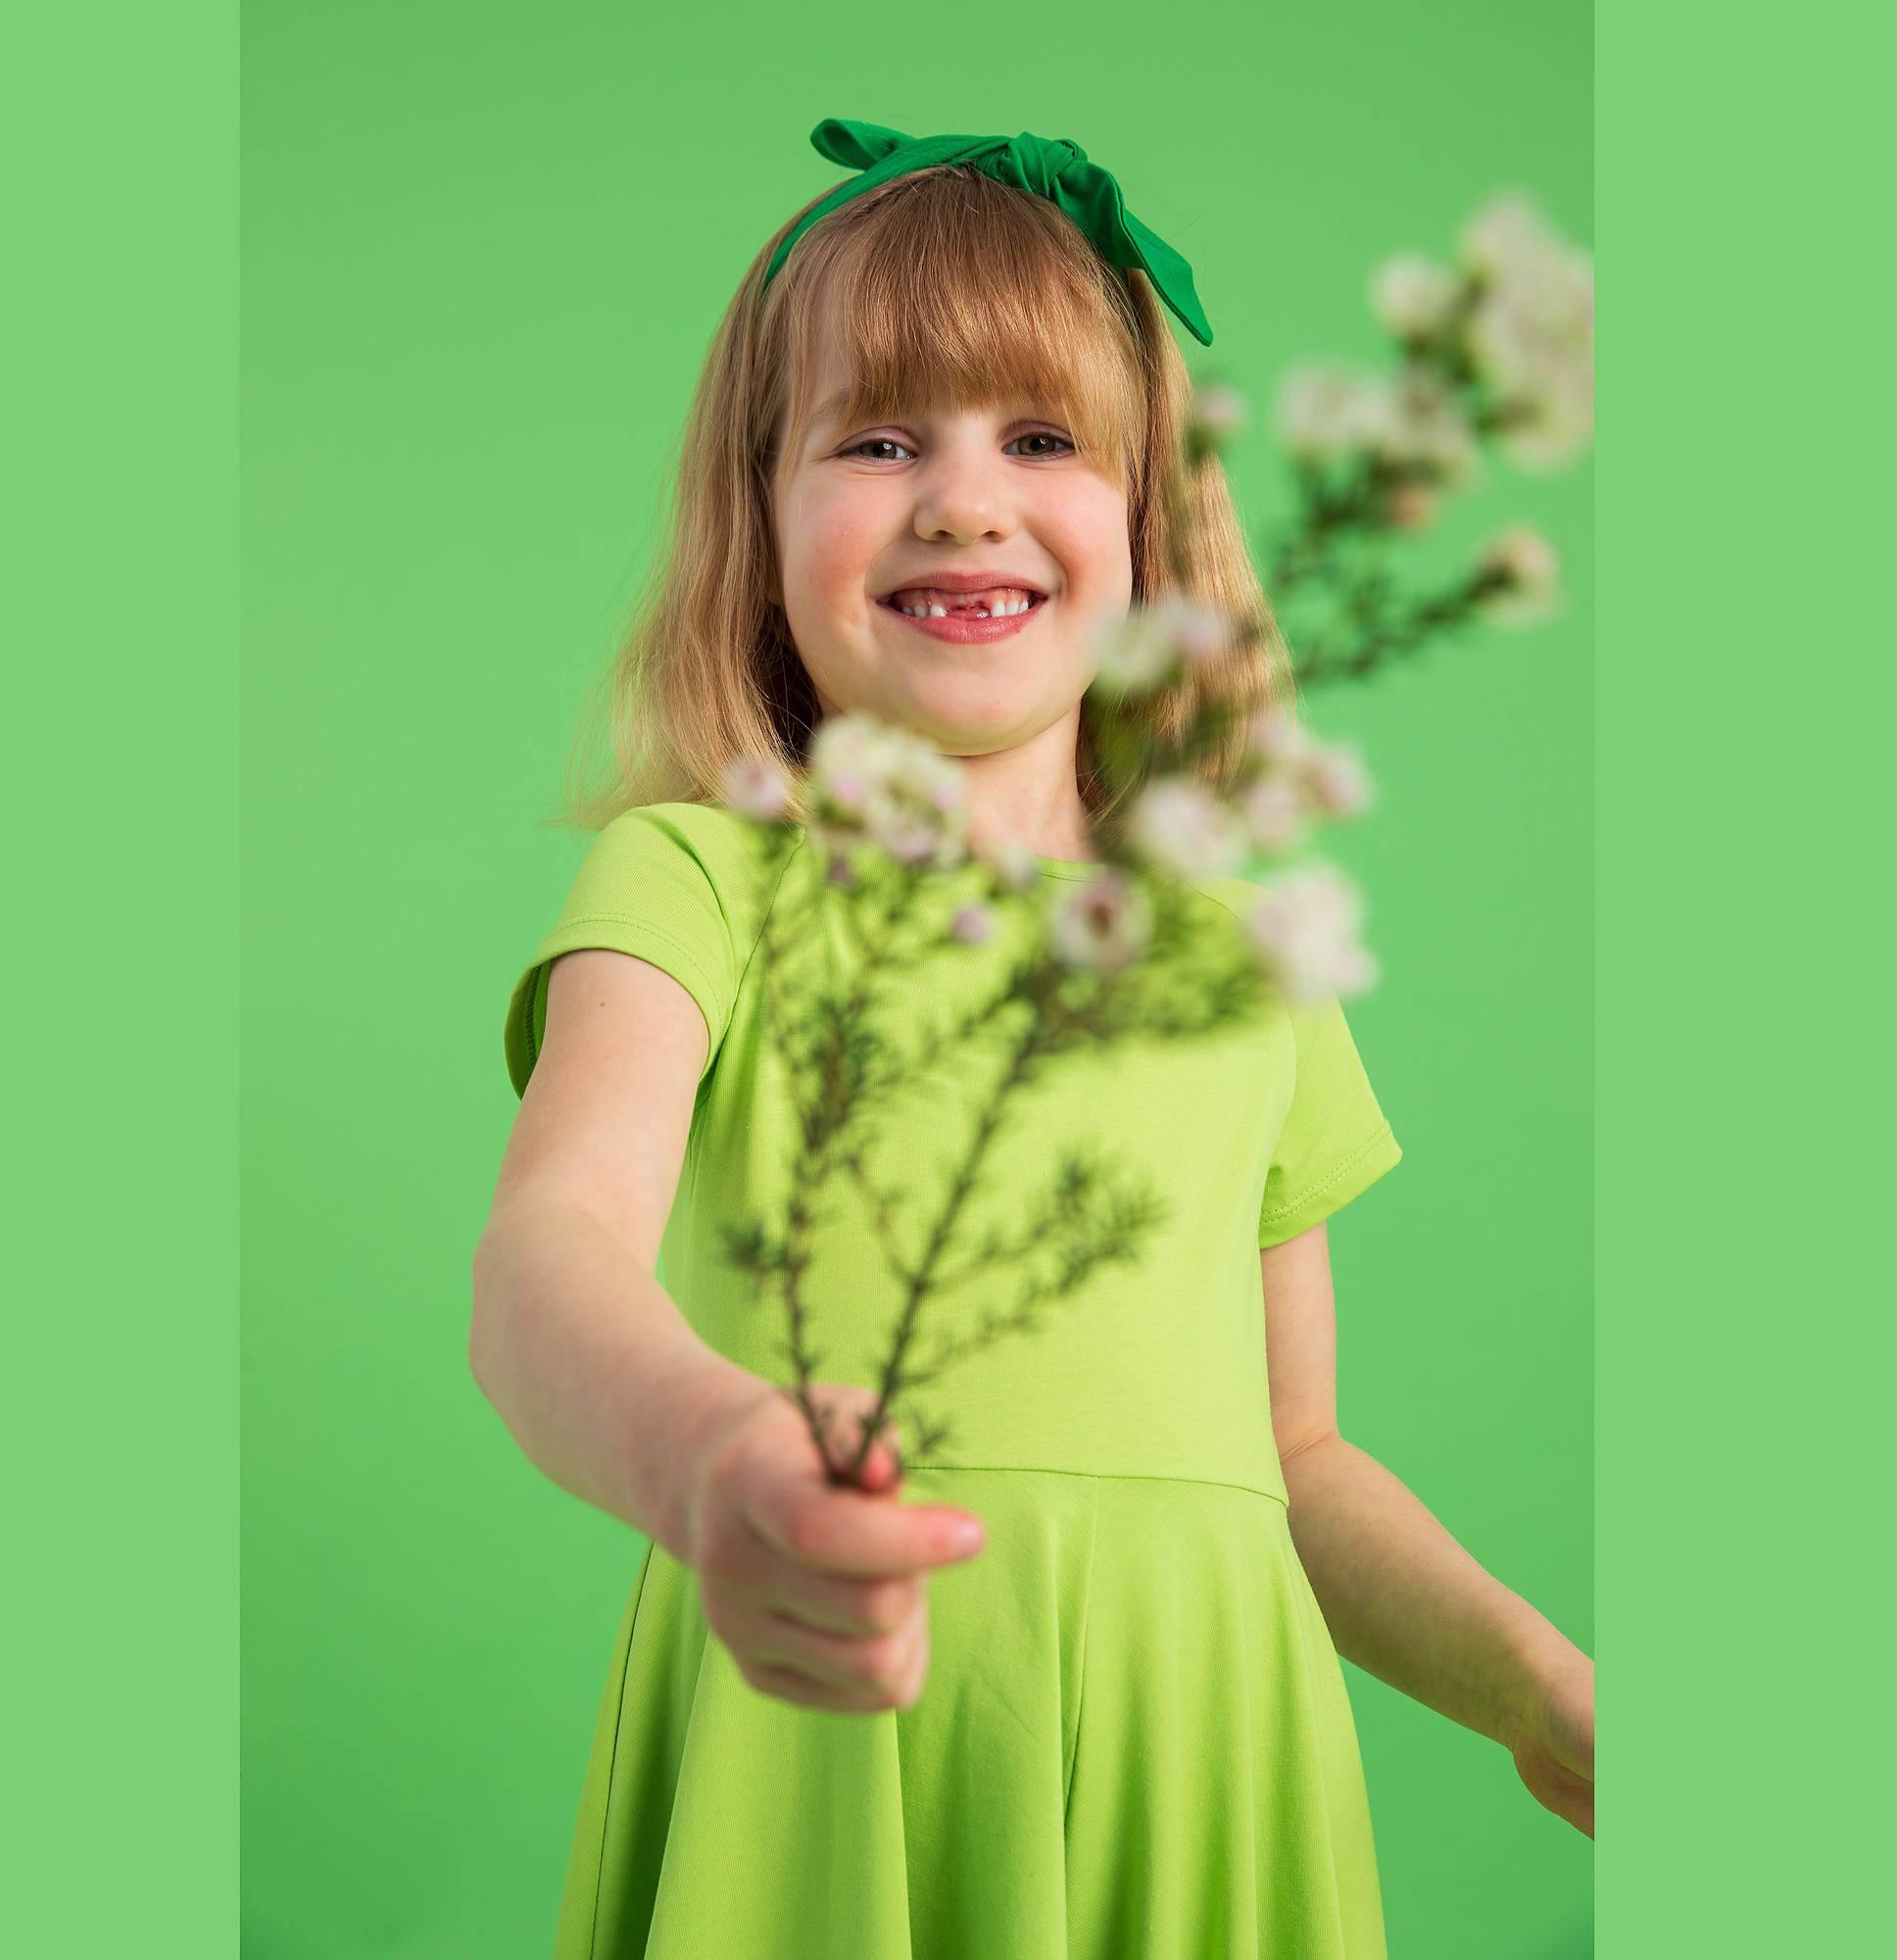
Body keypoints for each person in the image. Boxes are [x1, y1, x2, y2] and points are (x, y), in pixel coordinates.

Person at [473, 120, 1594, 1960]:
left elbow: (1298, 1454)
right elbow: (546, 1260)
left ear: (1152, 527)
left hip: (1202, 1748)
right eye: (878, 437)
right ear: (758, 523)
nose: (964, 501)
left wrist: (1534, 1684)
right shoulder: (697, 881)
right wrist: (710, 1461)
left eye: (1044, 438)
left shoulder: (1242, 966)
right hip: (825, 1742)